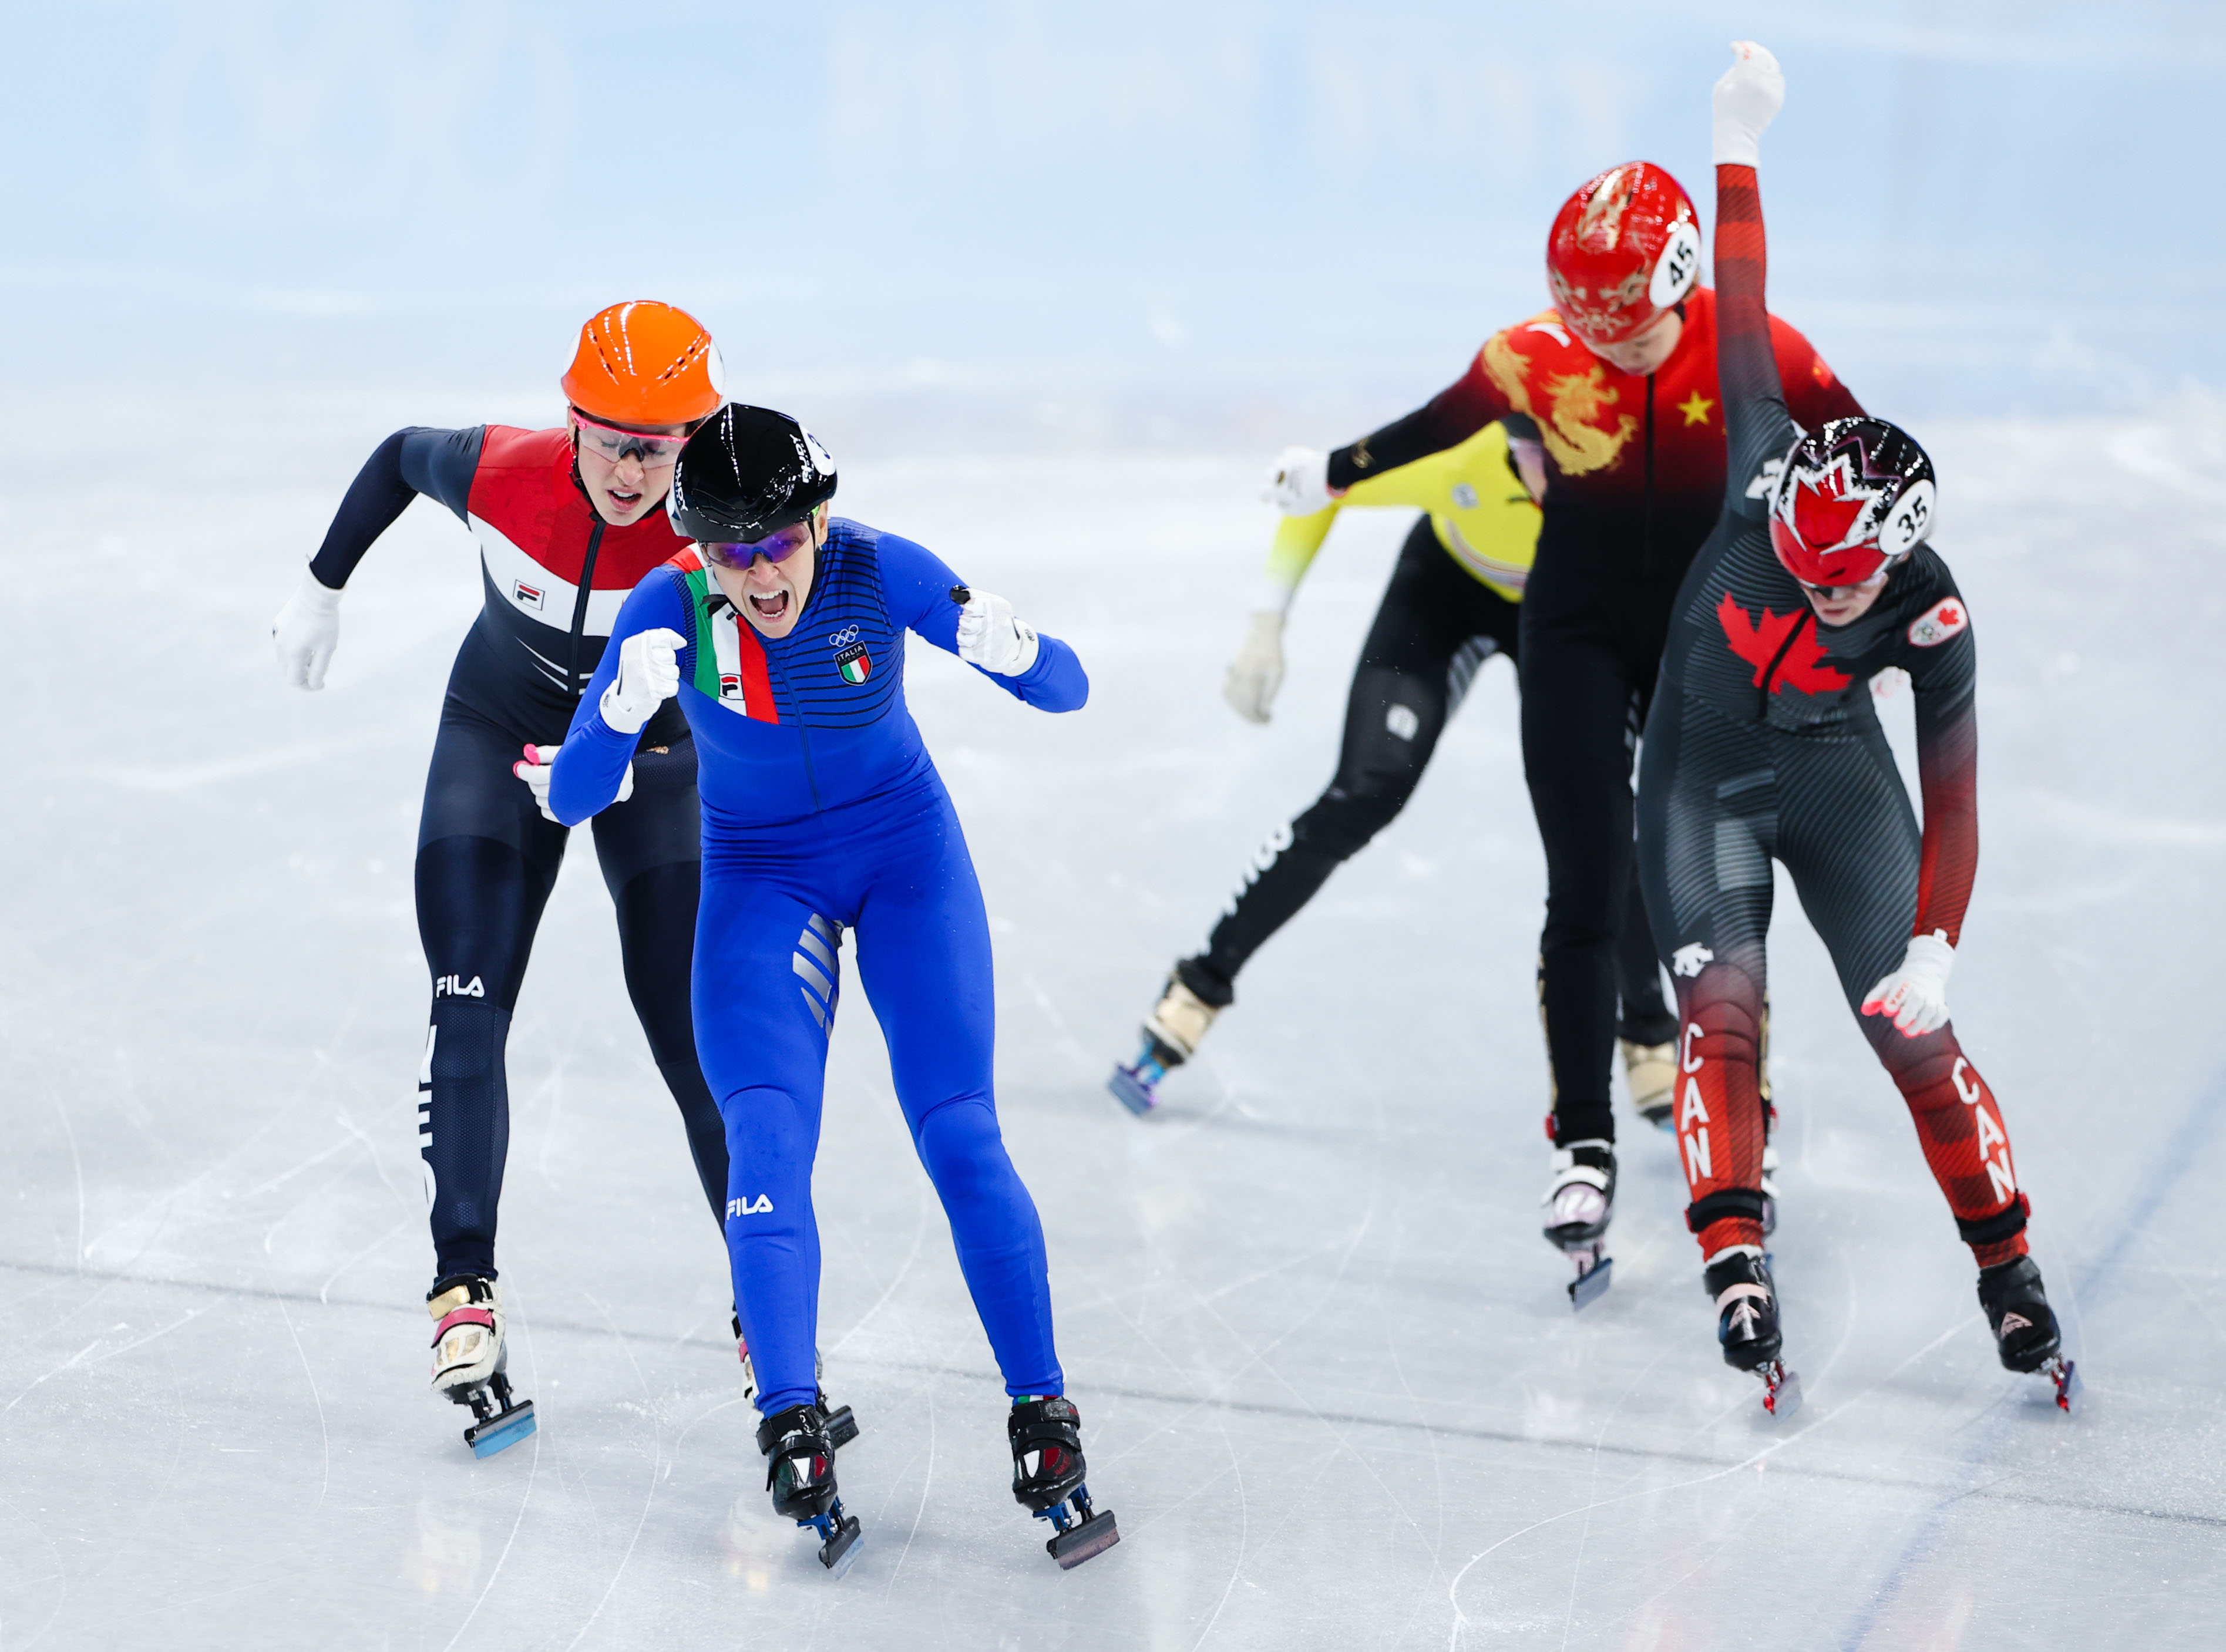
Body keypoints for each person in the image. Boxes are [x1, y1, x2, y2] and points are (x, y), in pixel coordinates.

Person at [1256, 156, 1861, 1274]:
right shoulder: (1532, 355)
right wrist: (1331, 473)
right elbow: (1436, 425)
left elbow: (1857, 459)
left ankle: (1744, 1123)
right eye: (1590, 327)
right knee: (1585, 885)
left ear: (1682, 284)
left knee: (1710, 889)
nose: (1609, 349)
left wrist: (1854, 598)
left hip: (1704, 638)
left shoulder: (1754, 347)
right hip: (1571, 628)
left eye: (1628, 331)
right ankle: (1582, 1138)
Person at [546, 404, 1118, 1572]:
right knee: (763, 1141)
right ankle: (791, 1417)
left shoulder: (878, 569)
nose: (757, 577)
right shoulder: (670, 611)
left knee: (961, 1137)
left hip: (905, 860)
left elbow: (1068, 693)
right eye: (727, 554)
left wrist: (1019, 653)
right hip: (761, 882)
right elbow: (567, 799)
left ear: (816, 520)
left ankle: (1043, 1416)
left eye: (776, 545)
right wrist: (613, 708)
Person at [1635, 43, 2074, 1415]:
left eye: (1842, 581)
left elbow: (1955, 799)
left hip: (1834, 783)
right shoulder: (1768, 456)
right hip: (1699, 778)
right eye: (1796, 558)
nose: (1815, 584)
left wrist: (1936, 946)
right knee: (1720, 1015)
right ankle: (1735, 1262)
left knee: (1913, 1036)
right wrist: (1734, 140)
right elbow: (1746, 298)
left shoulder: (1933, 618)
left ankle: (2006, 1271)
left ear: (1896, 566)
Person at [271, 301, 788, 1456]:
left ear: (697, 439)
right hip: (494, 742)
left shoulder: (732, 527)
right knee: (466, 1007)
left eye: (657, 447)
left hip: (648, 773)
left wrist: (638, 753)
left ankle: (767, 1316)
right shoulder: (501, 471)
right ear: (570, 421)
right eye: (608, 439)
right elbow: (401, 455)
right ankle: (464, 1296)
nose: (629, 469)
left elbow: (774, 682)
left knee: (698, 1038)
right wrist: (323, 583)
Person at [1110, 423, 1674, 1287]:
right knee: (1363, 791)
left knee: (1600, 815)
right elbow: (1315, 488)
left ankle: (1645, 1029)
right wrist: (1267, 623)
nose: (1541, 477)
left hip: (1569, 614)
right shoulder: (1455, 452)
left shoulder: (1626, 479)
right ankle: (1198, 982)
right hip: (1443, 594)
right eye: (1527, 461)